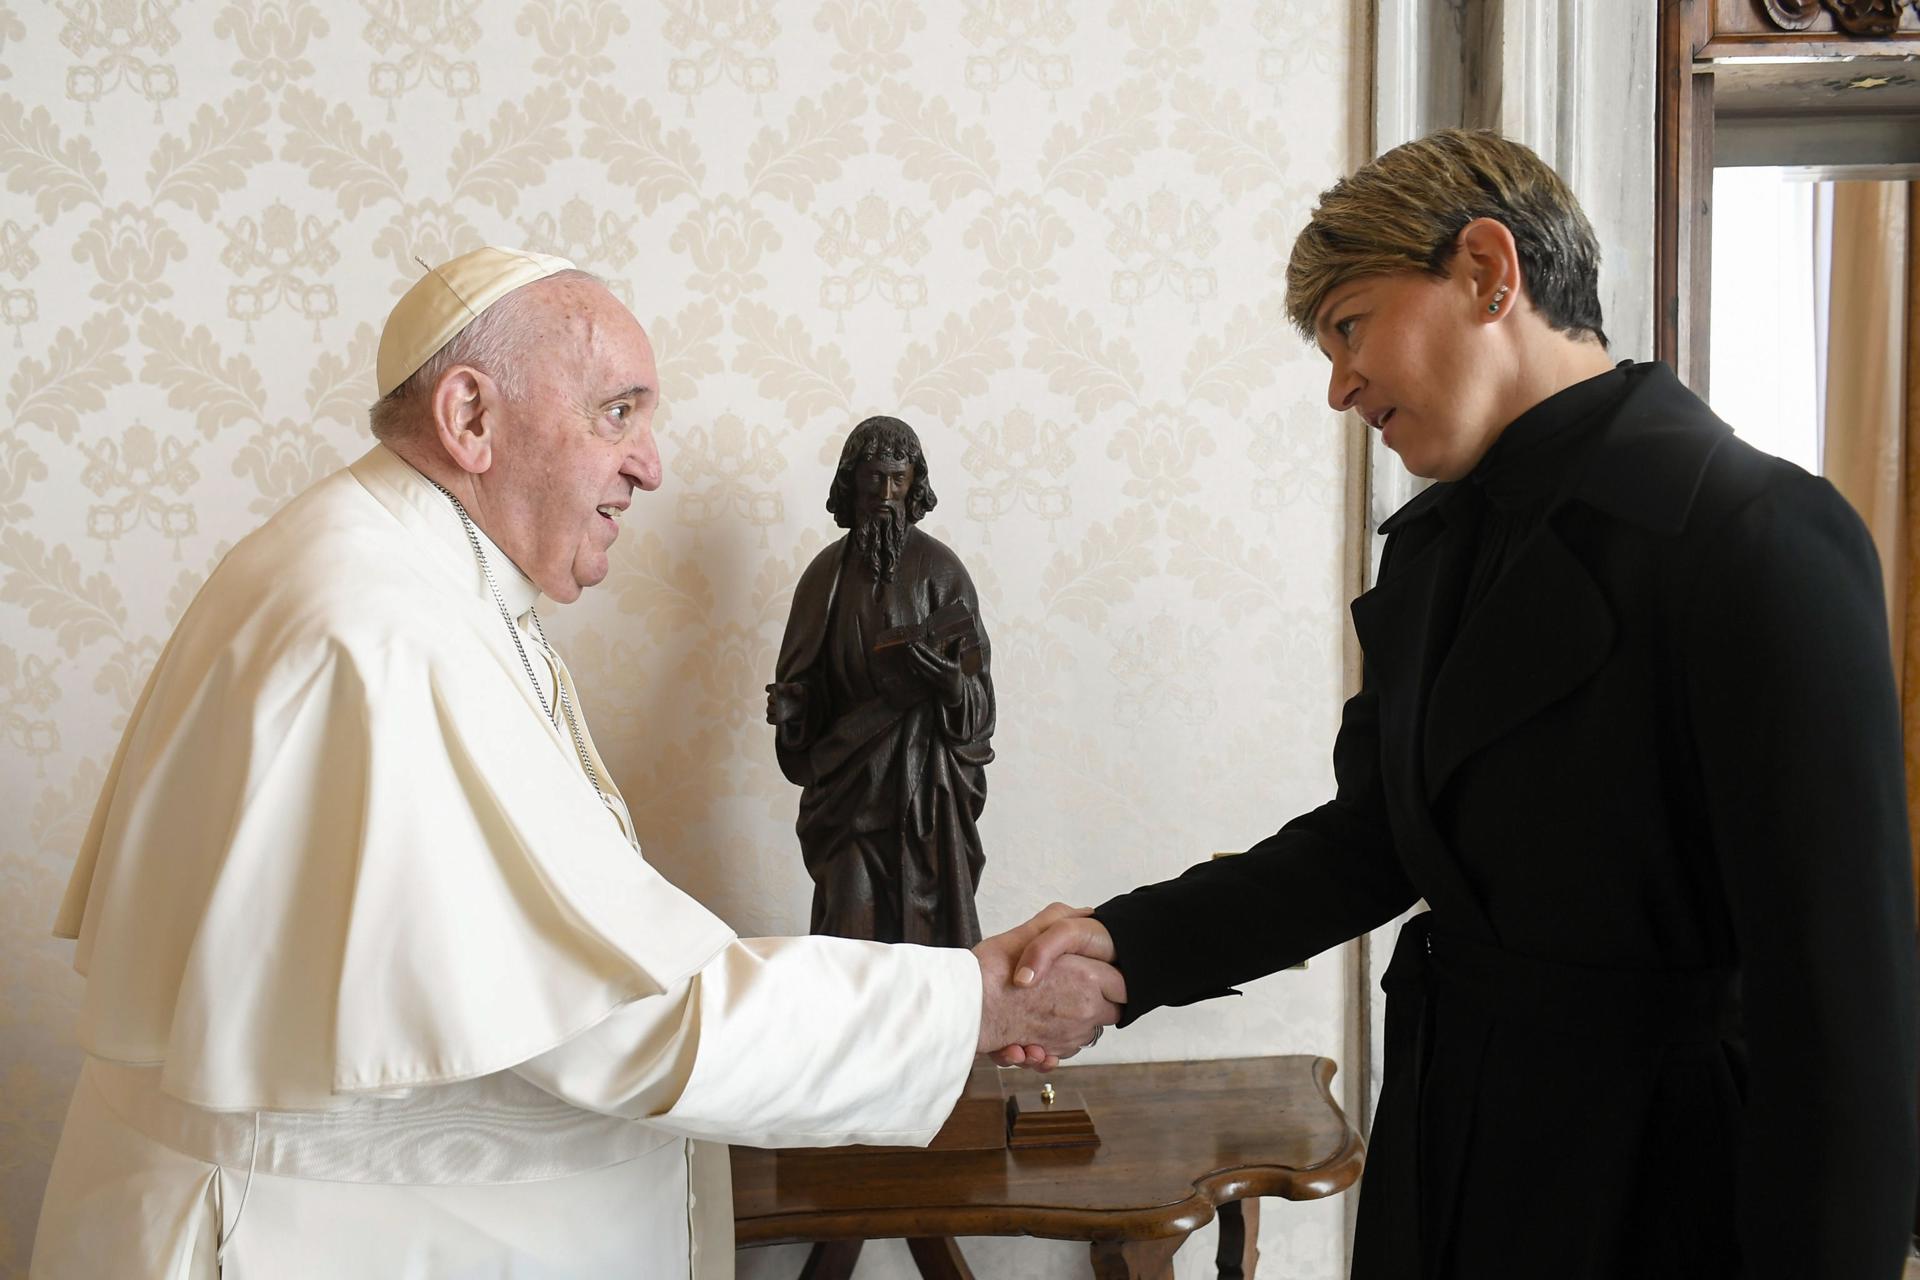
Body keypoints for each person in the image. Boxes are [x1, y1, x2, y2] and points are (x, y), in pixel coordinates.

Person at [29, 247, 1120, 1279]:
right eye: (617, 412)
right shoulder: (380, 628)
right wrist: (972, 1002)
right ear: (471, 417)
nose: (649, 462)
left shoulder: (398, 569)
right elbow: (630, 1015)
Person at [1003, 130, 1919, 1279]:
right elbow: (1371, 843)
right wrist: (1125, 942)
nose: (1338, 386)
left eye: (1348, 326)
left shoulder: (1760, 536)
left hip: (1668, 1188)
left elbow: (1844, 1018)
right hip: (1452, 1151)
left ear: (1490, 271)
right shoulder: (1433, 551)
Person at [767, 415, 995, 947]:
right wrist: (794, 711)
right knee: (848, 932)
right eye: (874, 480)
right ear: (852, 482)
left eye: (898, 480)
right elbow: (804, 680)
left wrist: (951, 688)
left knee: (927, 946)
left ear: (915, 483)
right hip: (849, 790)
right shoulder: (823, 577)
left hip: (925, 796)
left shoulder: (942, 572)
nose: (886, 495)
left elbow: (980, 704)